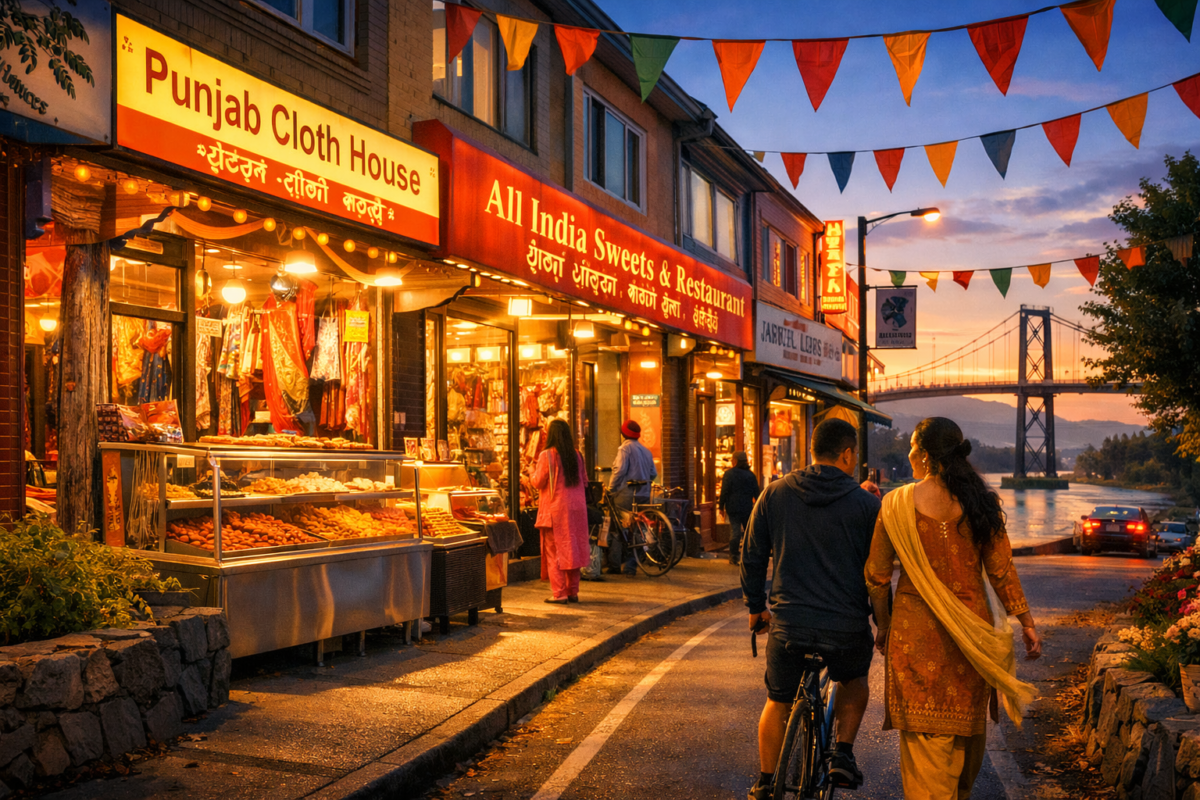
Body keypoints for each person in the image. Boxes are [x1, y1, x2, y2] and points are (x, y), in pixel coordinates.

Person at [865, 417, 1042, 800]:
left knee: (926, 751)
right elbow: (1001, 570)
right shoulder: (980, 503)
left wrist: (884, 625)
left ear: (925, 455)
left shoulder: (895, 505)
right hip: (971, 639)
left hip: (914, 638)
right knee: (964, 738)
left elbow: (877, 576)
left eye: (913, 446)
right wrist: (1026, 622)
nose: (910, 454)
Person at [742, 418, 882, 799]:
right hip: (846, 627)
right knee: (853, 681)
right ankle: (843, 753)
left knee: (778, 699)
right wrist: (881, 623)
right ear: (847, 453)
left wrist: (757, 608)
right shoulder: (868, 506)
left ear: (812, 451)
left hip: (789, 625)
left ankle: (768, 782)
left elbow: (752, 554)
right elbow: (878, 574)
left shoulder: (775, 493)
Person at [532, 419, 591, 604]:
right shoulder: (577, 455)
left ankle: (559, 593)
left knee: (554, 552)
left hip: (555, 511)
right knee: (572, 549)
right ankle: (573, 591)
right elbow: (585, 481)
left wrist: (530, 471)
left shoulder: (547, 456)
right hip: (577, 511)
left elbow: (538, 482)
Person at [605, 419, 657, 576]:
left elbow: (619, 471)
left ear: (623, 433)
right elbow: (653, 473)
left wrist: (611, 489)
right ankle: (631, 566)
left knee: (617, 527)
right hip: (643, 495)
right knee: (638, 529)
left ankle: (614, 564)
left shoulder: (625, 449)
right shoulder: (646, 451)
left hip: (627, 494)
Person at [718, 451, 760, 565]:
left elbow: (724, 492)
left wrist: (721, 506)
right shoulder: (751, 475)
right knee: (749, 532)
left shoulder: (729, 474)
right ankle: (749, 555)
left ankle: (734, 556)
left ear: (735, 461)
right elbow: (757, 493)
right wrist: (758, 507)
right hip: (747, 507)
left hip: (733, 508)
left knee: (735, 531)